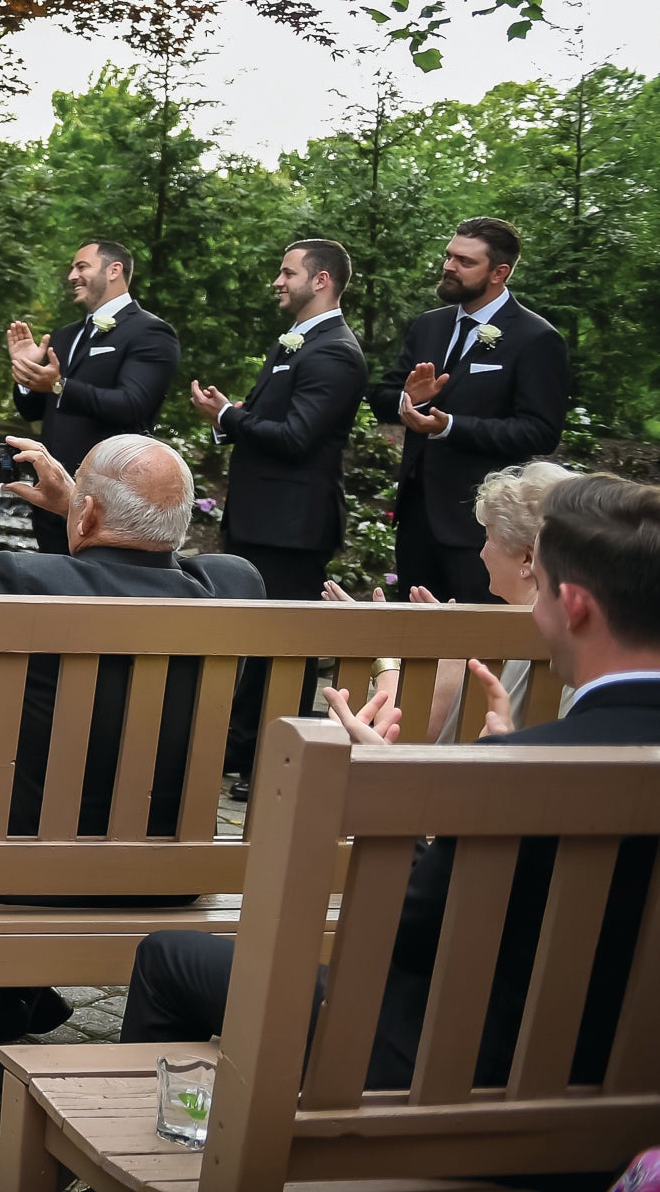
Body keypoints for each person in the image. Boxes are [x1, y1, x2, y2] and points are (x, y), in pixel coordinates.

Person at [120, 473, 660, 1109]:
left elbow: (402, 938)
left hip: (462, 1088)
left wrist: (398, 795)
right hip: (627, 1110)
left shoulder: (513, 768)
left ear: (574, 606)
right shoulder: (529, 757)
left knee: (167, 959)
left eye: (539, 588)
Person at [0, 431, 265, 1055]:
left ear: (93, 513)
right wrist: (79, 505)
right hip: (167, 872)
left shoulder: (22, 579)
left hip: (7, 869)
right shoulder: (236, 588)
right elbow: (146, 556)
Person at [194, 238, 368, 794]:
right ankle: (240, 748)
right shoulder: (297, 343)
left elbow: (296, 438)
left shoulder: (336, 350)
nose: (277, 280)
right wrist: (229, 418)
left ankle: (273, 760)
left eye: (287, 272)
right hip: (263, 518)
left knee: (287, 650)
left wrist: (227, 414)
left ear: (321, 281)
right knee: (259, 642)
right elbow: (272, 419)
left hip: (293, 527)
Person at [367, 217, 572, 603]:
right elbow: (382, 397)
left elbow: (540, 431)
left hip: (485, 527)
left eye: (464, 261)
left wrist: (450, 426)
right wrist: (410, 399)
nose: (448, 266)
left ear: (499, 272)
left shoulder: (536, 338)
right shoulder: (428, 326)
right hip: (417, 519)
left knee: (475, 642)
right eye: (448, 256)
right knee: (416, 639)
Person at [321, 458, 577, 746]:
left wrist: (382, 651)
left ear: (527, 558)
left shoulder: (488, 639)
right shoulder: (578, 630)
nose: (481, 553)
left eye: (488, 537)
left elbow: (400, 734)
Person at [8, 241, 180, 553]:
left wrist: (60, 385)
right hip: (53, 493)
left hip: (109, 500)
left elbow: (133, 405)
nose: (72, 275)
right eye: (72, 269)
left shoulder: (151, 332)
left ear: (114, 270)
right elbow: (32, 411)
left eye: (81, 267)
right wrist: (27, 374)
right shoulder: (65, 335)